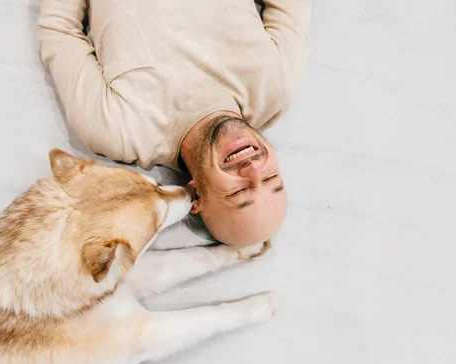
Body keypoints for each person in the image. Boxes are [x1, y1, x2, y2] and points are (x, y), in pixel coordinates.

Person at [37, 0, 312, 246]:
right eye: (271, 177)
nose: (253, 169)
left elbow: (59, 31)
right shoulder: (277, 89)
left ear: (195, 197)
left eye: (240, 191)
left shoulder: (120, 130)